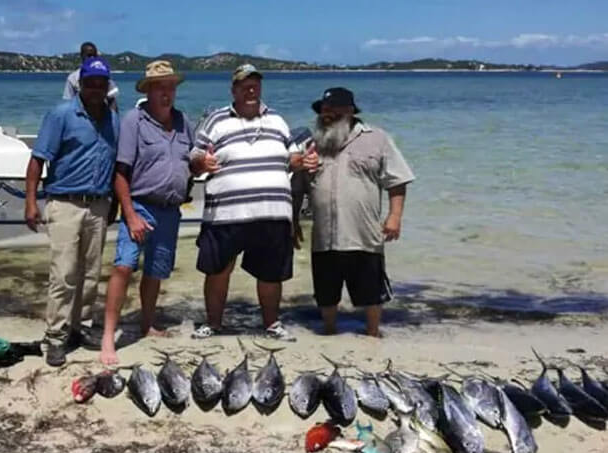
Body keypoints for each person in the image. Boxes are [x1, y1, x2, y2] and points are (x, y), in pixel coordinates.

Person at [188, 64, 314, 341]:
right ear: (233, 89)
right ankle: (214, 324)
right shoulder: (216, 120)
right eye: (244, 85)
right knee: (218, 271)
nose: (251, 90)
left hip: (272, 213)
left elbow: (292, 158)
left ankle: (272, 324)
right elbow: (195, 159)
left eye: (255, 84)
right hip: (225, 214)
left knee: (271, 274)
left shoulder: (278, 120)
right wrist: (202, 162)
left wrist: (302, 161)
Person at [291, 87, 415, 337]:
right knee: (326, 292)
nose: (326, 114)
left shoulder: (377, 138)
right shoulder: (311, 145)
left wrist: (394, 217)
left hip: (363, 234)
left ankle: (373, 334)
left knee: (371, 292)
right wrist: (293, 221)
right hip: (324, 237)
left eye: (332, 109)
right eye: (323, 110)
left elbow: (397, 181)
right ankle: (329, 332)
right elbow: (298, 188)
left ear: (349, 111)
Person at [26, 56, 120, 367]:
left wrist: (114, 205)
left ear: (107, 86)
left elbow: (114, 165)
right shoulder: (61, 114)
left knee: (90, 273)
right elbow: (37, 160)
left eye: (101, 84)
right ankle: (55, 336)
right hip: (65, 203)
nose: (96, 89)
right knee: (64, 273)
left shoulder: (113, 120)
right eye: (90, 83)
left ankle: (81, 327)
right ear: (81, 85)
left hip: (99, 204)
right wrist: (31, 202)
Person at [99, 60, 193, 365]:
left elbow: (190, 162)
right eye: (160, 88)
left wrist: (201, 165)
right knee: (124, 266)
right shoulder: (134, 121)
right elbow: (120, 172)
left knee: (155, 271)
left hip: (171, 210)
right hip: (140, 205)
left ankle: (147, 324)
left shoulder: (184, 122)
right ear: (148, 91)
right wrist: (130, 214)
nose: (166, 93)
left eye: (170, 87)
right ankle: (108, 337)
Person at [63, 41, 119, 109]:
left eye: (94, 56)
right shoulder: (72, 78)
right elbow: (68, 101)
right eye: (89, 55)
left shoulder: (103, 75)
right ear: (82, 55)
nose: (92, 58)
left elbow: (112, 100)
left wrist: (113, 115)